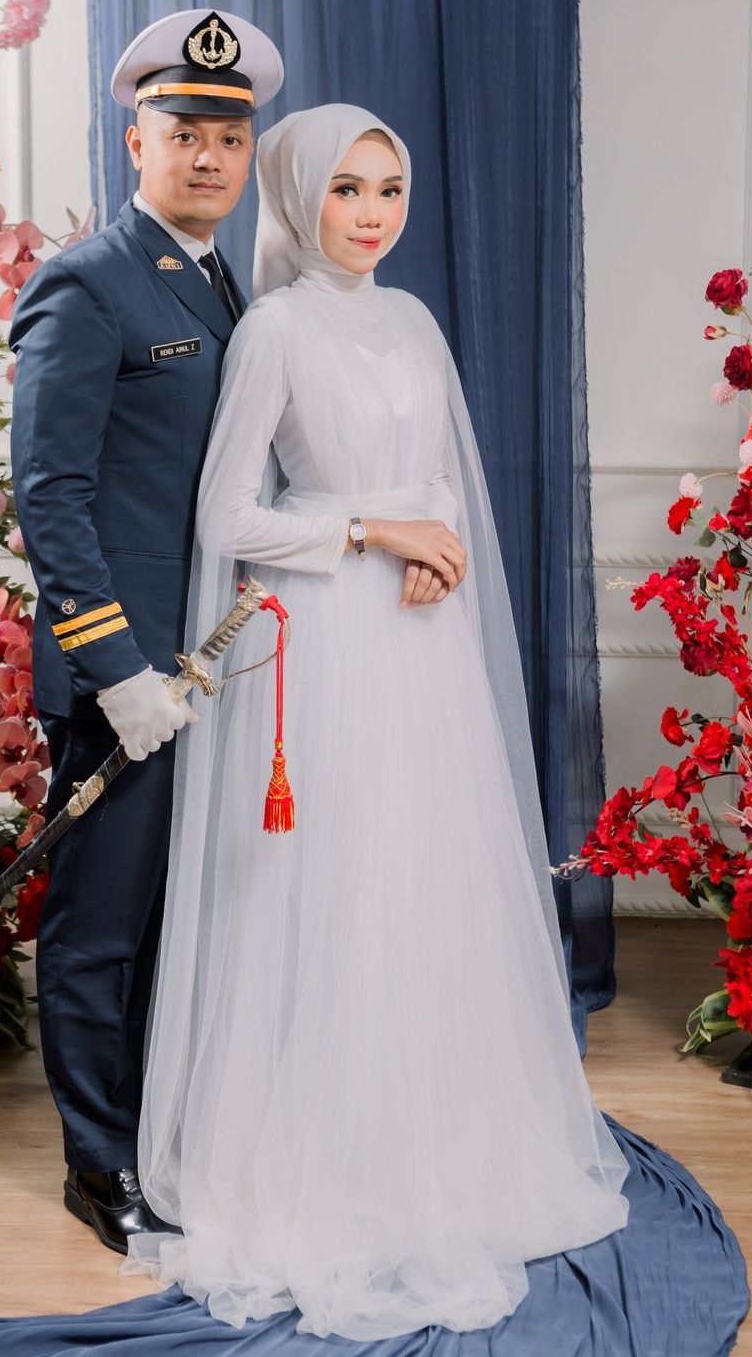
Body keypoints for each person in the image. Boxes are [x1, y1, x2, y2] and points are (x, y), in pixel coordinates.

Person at [123, 104, 631, 1338]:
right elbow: (228, 519)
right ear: (299, 198)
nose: (370, 214)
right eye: (345, 190)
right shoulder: (276, 331)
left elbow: (441, 467)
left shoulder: (410, 319)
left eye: (389, 189)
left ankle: (438, 1131)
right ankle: (332, 1151)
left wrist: (433, 541)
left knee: (426, 876)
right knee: (338, 881)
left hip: (422, 636)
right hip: (328, 641)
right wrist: (369, 533)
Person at [8, 8, 283, 1252]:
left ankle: (160, 1133)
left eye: (230, 136)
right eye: (184, 132)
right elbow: (50, 494)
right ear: (137, 142)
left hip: (207, 668)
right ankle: (98, 1164)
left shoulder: (223, 279)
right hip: (129, 679)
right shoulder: (89, 281)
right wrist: (115, 668)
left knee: (182, 920)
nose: (209, 156)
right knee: (100, 928)